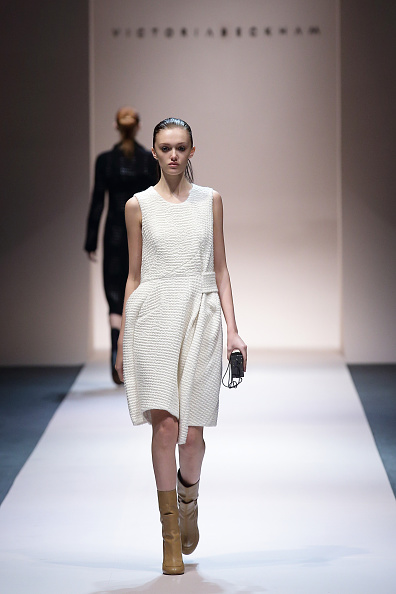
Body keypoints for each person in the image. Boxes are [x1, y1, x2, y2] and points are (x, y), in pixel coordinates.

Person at [115, 117, 247, 575]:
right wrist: (121, 341)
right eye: (165, 147)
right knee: (166, 427)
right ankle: (170, 535)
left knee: (192, 438)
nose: (173, 155)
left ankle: (188, 497)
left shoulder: (211, 201)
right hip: (152, 316)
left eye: (181, 148)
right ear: (153, 152)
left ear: (192, 151)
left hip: (201, 315)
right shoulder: (137, 206)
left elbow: (221, 269)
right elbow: (133, 274)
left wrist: (233, 329)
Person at [84, 106, 157, 384]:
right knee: (140, 289)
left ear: (116, 127)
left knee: (115, 294)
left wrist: (90, 240)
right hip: (142, 234)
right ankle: (135, 355)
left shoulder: (105, 161)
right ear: (138, 127)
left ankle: (118, 347)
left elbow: (98, 202)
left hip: (114, 234)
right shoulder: (147, 161)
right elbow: (155, 201)